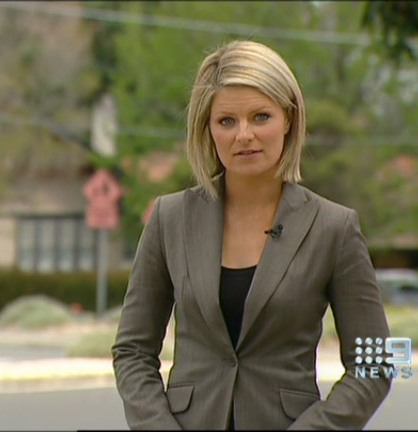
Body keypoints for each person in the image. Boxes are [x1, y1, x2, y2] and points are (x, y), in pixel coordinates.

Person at [112, 40, 392, 430]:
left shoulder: (334, 227)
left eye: (261, 117)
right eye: (227, 121)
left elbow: (378, 364)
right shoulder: (169, 218)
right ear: (208, 128)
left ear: (288, 118)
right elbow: (131, 351)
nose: (244, 135)